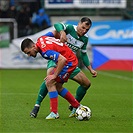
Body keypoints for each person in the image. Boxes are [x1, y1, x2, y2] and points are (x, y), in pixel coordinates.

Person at [30, 17, 97, 118]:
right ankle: (37, 105)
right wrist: (62, 32)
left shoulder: (85, 39)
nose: (84, 31)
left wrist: (90, 69)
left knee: (86, 84)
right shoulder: (70, 28)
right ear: (79, 24)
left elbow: (83, 55)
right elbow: (57, 25)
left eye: (86, 29)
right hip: (56, 60)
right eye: (82, 27)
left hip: (69, 62)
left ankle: (75, 107)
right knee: (50, 80)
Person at [21, 36, 81, 119]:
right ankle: (77, 106)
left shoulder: (45, 51)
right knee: (57, 86)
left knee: (50, 82)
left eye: (28, 52)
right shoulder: (40, 39)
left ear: (33, 46)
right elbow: (53, 33)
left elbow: (62, 59)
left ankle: (54, 112)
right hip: (69, 58)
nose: (29, 55)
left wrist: (55, 75)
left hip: (68, 62)